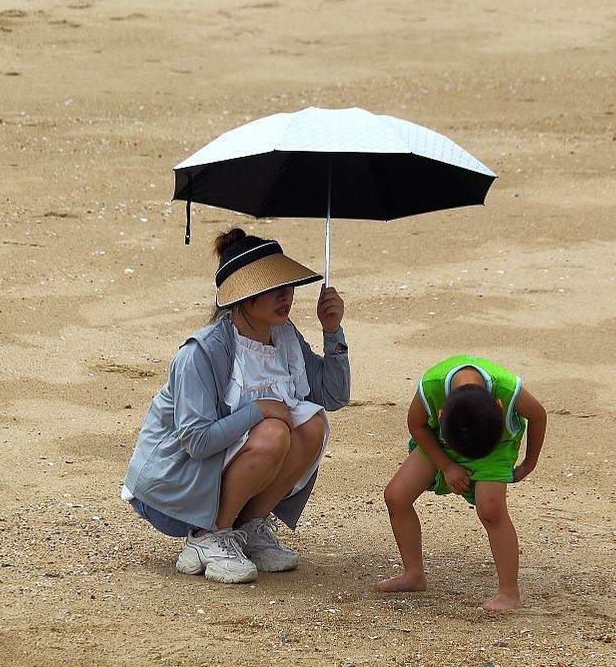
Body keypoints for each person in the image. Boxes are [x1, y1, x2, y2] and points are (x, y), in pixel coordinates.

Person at [121, 228, 349, 584]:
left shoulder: (284, 336)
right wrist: (259, 410)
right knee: (274, 432)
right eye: (272, 287)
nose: (284, 295)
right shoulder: (202, 351)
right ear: (242, 296)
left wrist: (332, 331)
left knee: (312, 426)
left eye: (287, 285)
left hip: (222, 466)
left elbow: (333, 397)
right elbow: (196, 443)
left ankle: (248, 528)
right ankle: (208, 536)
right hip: (176, 480)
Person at [374, 355, 546, 613]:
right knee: (397, 496)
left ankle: (509, 592)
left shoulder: (509, 389)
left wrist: (529, 462)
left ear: (500, 406)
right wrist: (446, 465)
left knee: (491, 511)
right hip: (444, 440)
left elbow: (539, 415)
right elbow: (416, 425)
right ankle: (413, 575)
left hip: (493, 445)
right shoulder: (431, 387)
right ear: (440, 414)